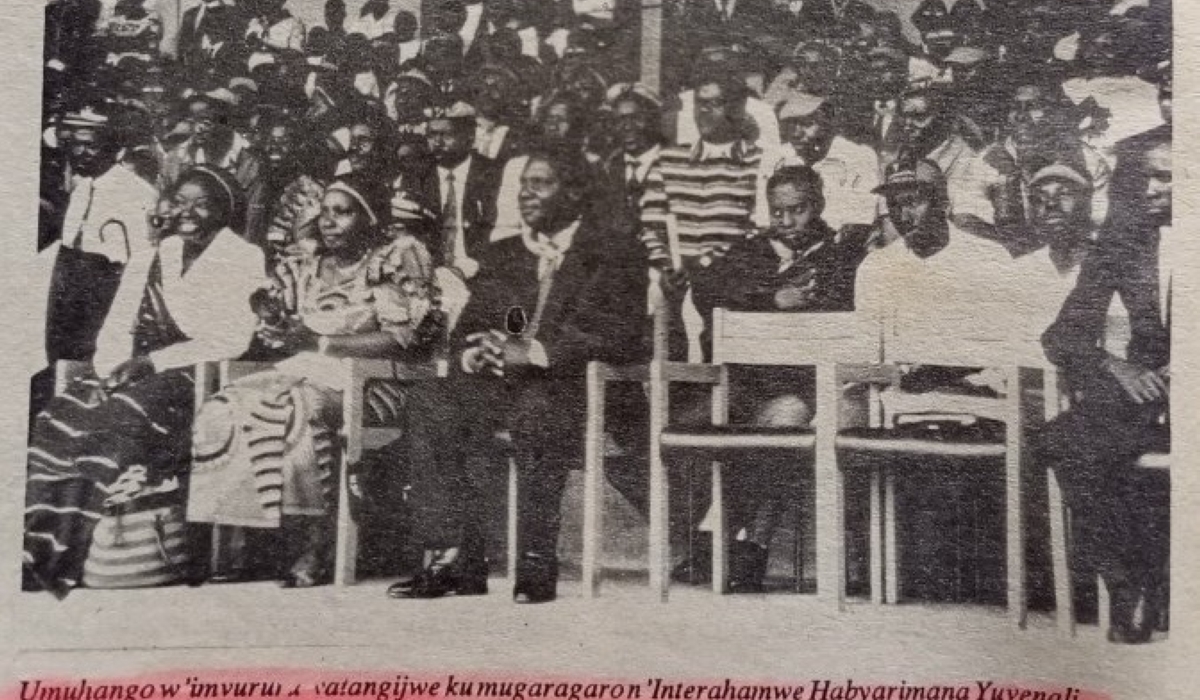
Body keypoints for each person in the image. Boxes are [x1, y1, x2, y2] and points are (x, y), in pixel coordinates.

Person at [389, 147, 647, 603]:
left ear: (574, 194)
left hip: (583, 390)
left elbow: (621, 332)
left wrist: (538, 351)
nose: (527, 194)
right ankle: (455, 558)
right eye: (524, 184)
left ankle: (535, 562)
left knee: (536, 408)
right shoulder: (508, 254)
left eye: (540, 184)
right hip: (509, 384)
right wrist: (480, 351)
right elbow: (486, 320)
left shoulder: (611, 252)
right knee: (434, 399)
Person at [187, 173, 447, 588]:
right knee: (223, 407)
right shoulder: (305, 263)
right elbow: (281, 330)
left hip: (375, 383)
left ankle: (314, 543)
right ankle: (240, 548)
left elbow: (403, 339)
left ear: (369, 219)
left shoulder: (390, 259)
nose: (328, 221)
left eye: (342, 212)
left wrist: (321, 341)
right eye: (324, 212)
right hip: (305, 370)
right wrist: (275, 325)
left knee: (295, 410)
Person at [25, 166, 265, 597]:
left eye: (203, 203)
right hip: (132, 375)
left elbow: (233, 337)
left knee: (116, 421)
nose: (188, 212)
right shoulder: (155, 253)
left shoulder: (244, 257)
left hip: (193, 378)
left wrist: (151, 363)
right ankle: (39, 548)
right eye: (180, 200)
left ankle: (72, 554)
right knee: (59, 415)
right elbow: (119, 325)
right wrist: (109, 371)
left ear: (224, 210)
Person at [681, 165, 871, 591]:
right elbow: (707, 288)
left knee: (784, 418)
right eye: (778, 211)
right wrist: (771, 296)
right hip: (747, 382)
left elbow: (847, 310)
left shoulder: (843, 253)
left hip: (806, 384)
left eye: (798, 210)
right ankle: (724, 538)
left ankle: (746, 542)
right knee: (712, 419)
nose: (786, 222)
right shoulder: (750, 250)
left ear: (818, 205)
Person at [1039, 127, 1171, 644]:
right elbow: (1062, 334)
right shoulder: (1125, 241)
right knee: (1062, 438)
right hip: (1150, 395)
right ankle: (1126, 582)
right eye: (1146, 177)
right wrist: (1116, 365)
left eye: (1167, 177)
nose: (1151, 188)